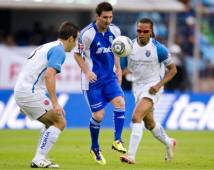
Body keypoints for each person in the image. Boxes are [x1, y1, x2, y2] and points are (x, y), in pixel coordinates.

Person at [14, 21, 79, 168]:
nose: (76, 44)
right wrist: (55, 103)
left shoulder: (47, 46)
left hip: (24, 90)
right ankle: (39, 158)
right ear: (70, 39)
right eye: (76, 40)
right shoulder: (59, 50)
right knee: (60, 121)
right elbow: (49, 75)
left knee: (51, 122)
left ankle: (40, 158)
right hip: (29, 92)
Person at [74, 1, 126, 165]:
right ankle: (95, 148)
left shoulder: (115, 30)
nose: (108, 20)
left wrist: (118, 68)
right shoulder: (87, 34)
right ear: (97, 16)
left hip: (109, 78)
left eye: (110, 17)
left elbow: (117, 50)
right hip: (93, 82)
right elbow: (77, 55)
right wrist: (87, 71)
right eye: (105, 17)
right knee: (99, 115)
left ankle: (117, 140)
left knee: (120, 102)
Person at [120, 18, 177, 164]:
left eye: (145, 31)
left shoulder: (159, 49)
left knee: (136, 117)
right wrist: (120, 74)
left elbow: (173, 70)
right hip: (137, 87)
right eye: (139, 30)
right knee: (149, 124)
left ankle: (131, 156)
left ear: (151, 31)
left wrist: (159, 85)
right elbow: (125, 69)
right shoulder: (129, 46)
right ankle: (169, 142)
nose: (142, 33)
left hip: (153, 88)